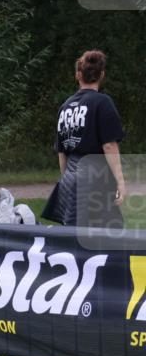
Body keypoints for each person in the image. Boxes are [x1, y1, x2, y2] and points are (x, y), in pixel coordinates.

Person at [42, 50, 126, 229]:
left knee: (74, 237)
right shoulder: (103, 103)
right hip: (95, 179)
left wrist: (65, 182)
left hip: (70, 179)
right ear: (102, 75)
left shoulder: (65, 107)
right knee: (107, 237)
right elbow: (109, 145)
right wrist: (120, 181)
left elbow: (62, 152)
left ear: (77, 75)